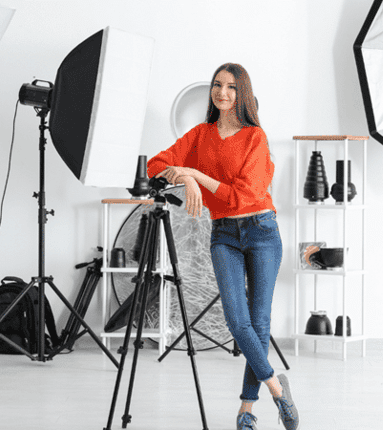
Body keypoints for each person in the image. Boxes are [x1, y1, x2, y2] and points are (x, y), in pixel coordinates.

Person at [147, 63, 299, 430]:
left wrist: (194, 174)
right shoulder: (200, 135)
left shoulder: (255, 137)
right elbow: (155, 166)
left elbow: (241, 196)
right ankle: (278, 390)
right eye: (217, 85)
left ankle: (246, 410)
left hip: (261, 231)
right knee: (237, 321)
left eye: (231, 86)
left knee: (258, 324)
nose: (222, 92)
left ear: (242, 93)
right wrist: (186, 177)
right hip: (224, 235)